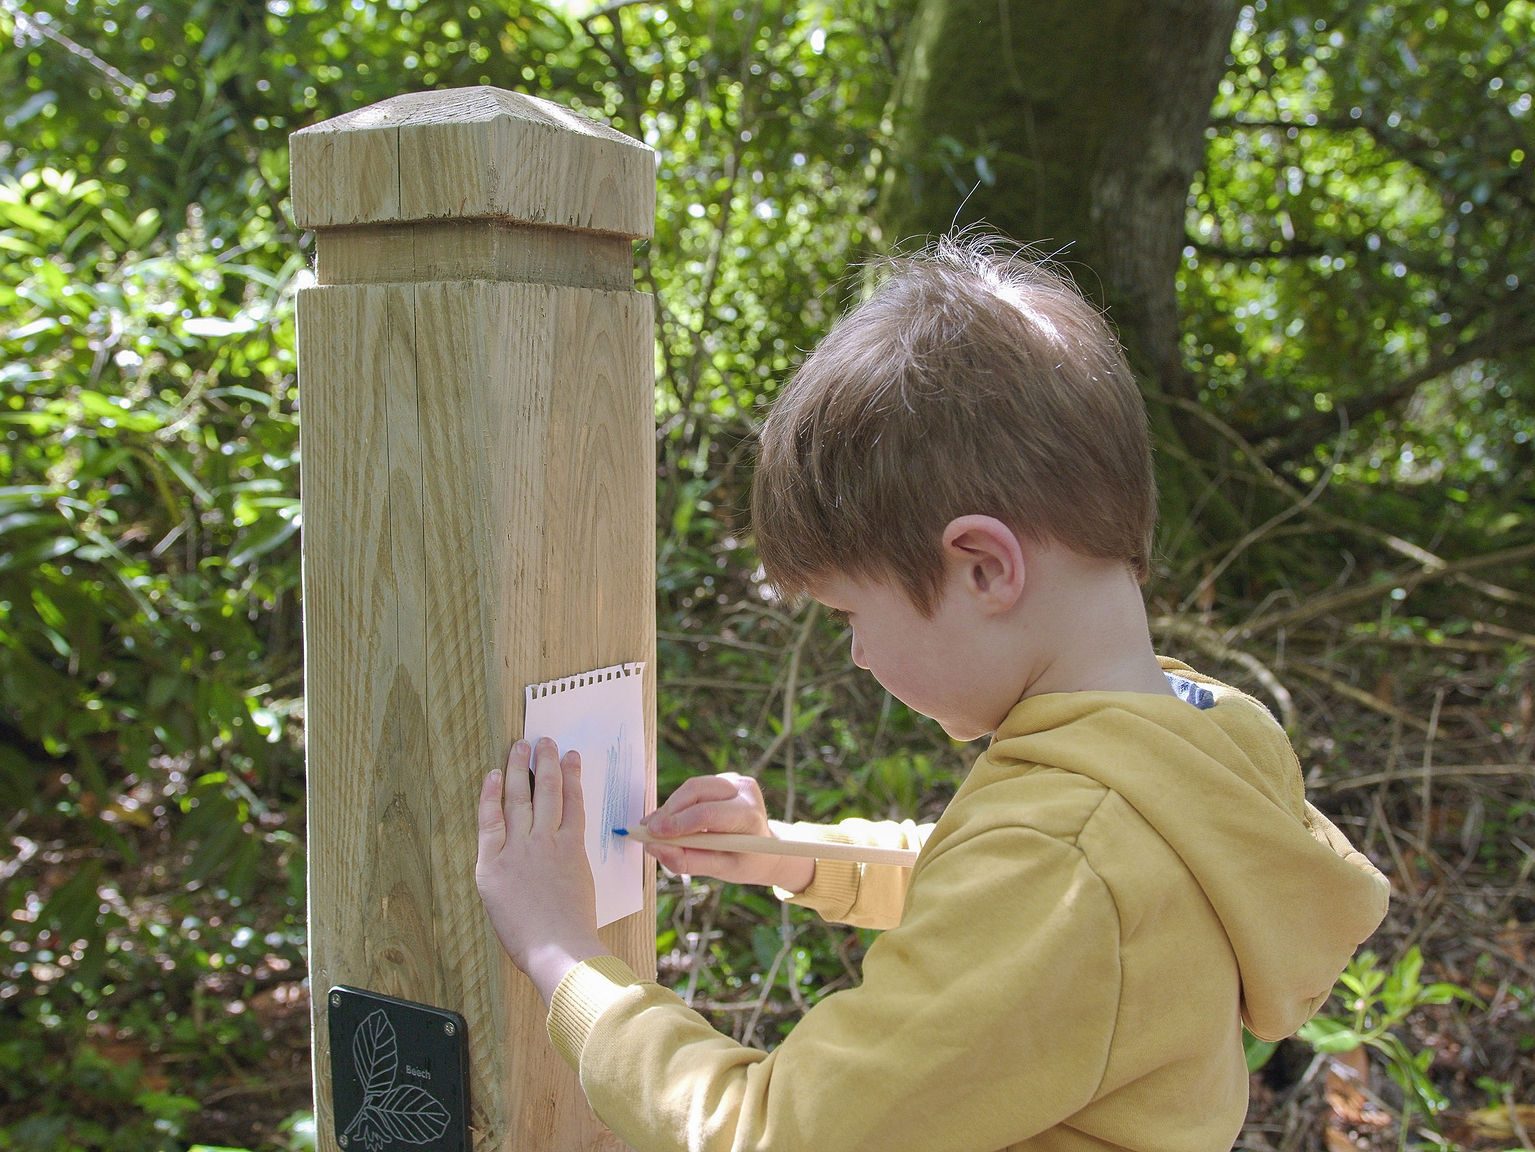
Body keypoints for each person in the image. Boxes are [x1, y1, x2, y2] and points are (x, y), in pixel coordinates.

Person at [475, 236, 1391, 1151]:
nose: (859, 655)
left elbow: (770, 1132)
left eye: (848, 613)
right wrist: (792, 857)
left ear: (983, 567)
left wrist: (563, 952)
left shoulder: (1061, 860)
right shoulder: (1202, 737)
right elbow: (990, 885)